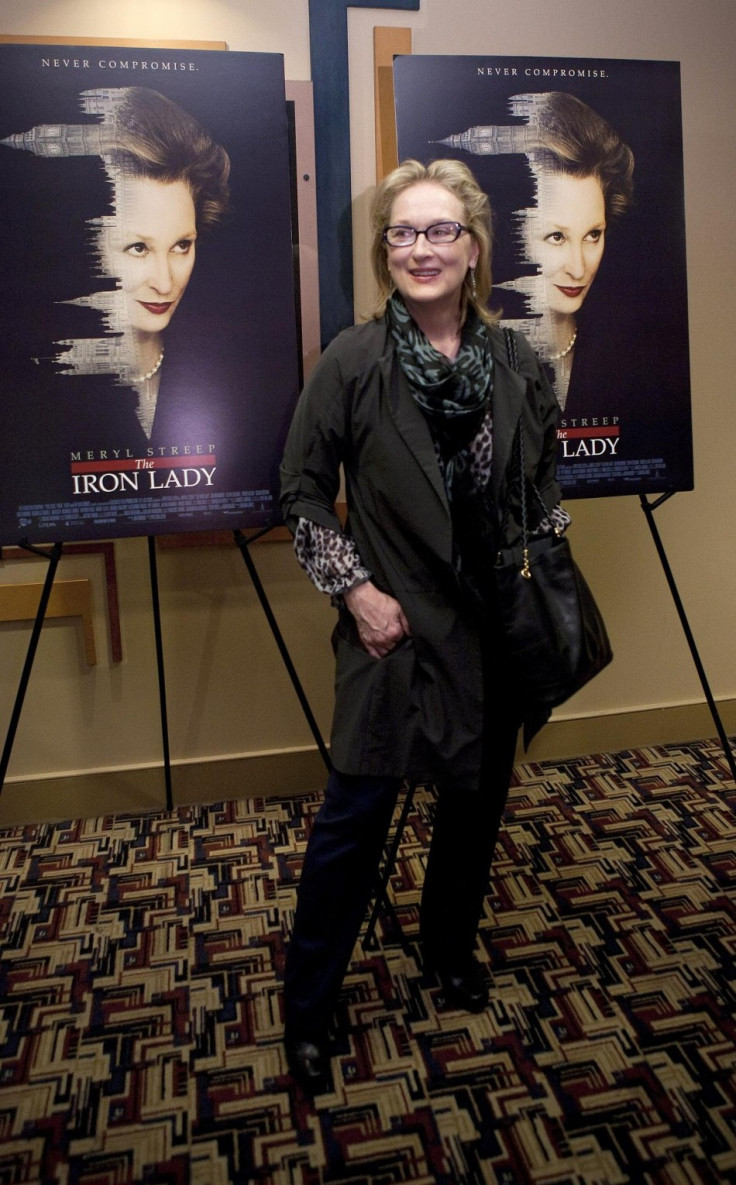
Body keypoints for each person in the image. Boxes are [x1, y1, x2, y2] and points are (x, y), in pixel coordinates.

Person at [280, 158, 568, 1093]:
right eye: (402, 233)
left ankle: (446, 951)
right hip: (392, 629)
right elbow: (299, 494)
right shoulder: (352, 361)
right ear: (385, 252)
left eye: (440, 230)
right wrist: (355, 591)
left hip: (493, 632)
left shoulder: (520, 361)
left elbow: (542, 487)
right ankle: (309, 1008)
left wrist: (541, 567)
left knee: (475, 812)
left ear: (475, 248)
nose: (420, 248)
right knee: (351, 827)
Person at [3, 86, 231, 436]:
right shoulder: (27, 388)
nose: (165, 283)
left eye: (181, 245)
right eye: (138, 248)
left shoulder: (227, 369)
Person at [440, 92, 634, 408]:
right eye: (556, 237)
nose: (579, 268)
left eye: (592, 235)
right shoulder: (460, 357)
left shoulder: (630, 354)